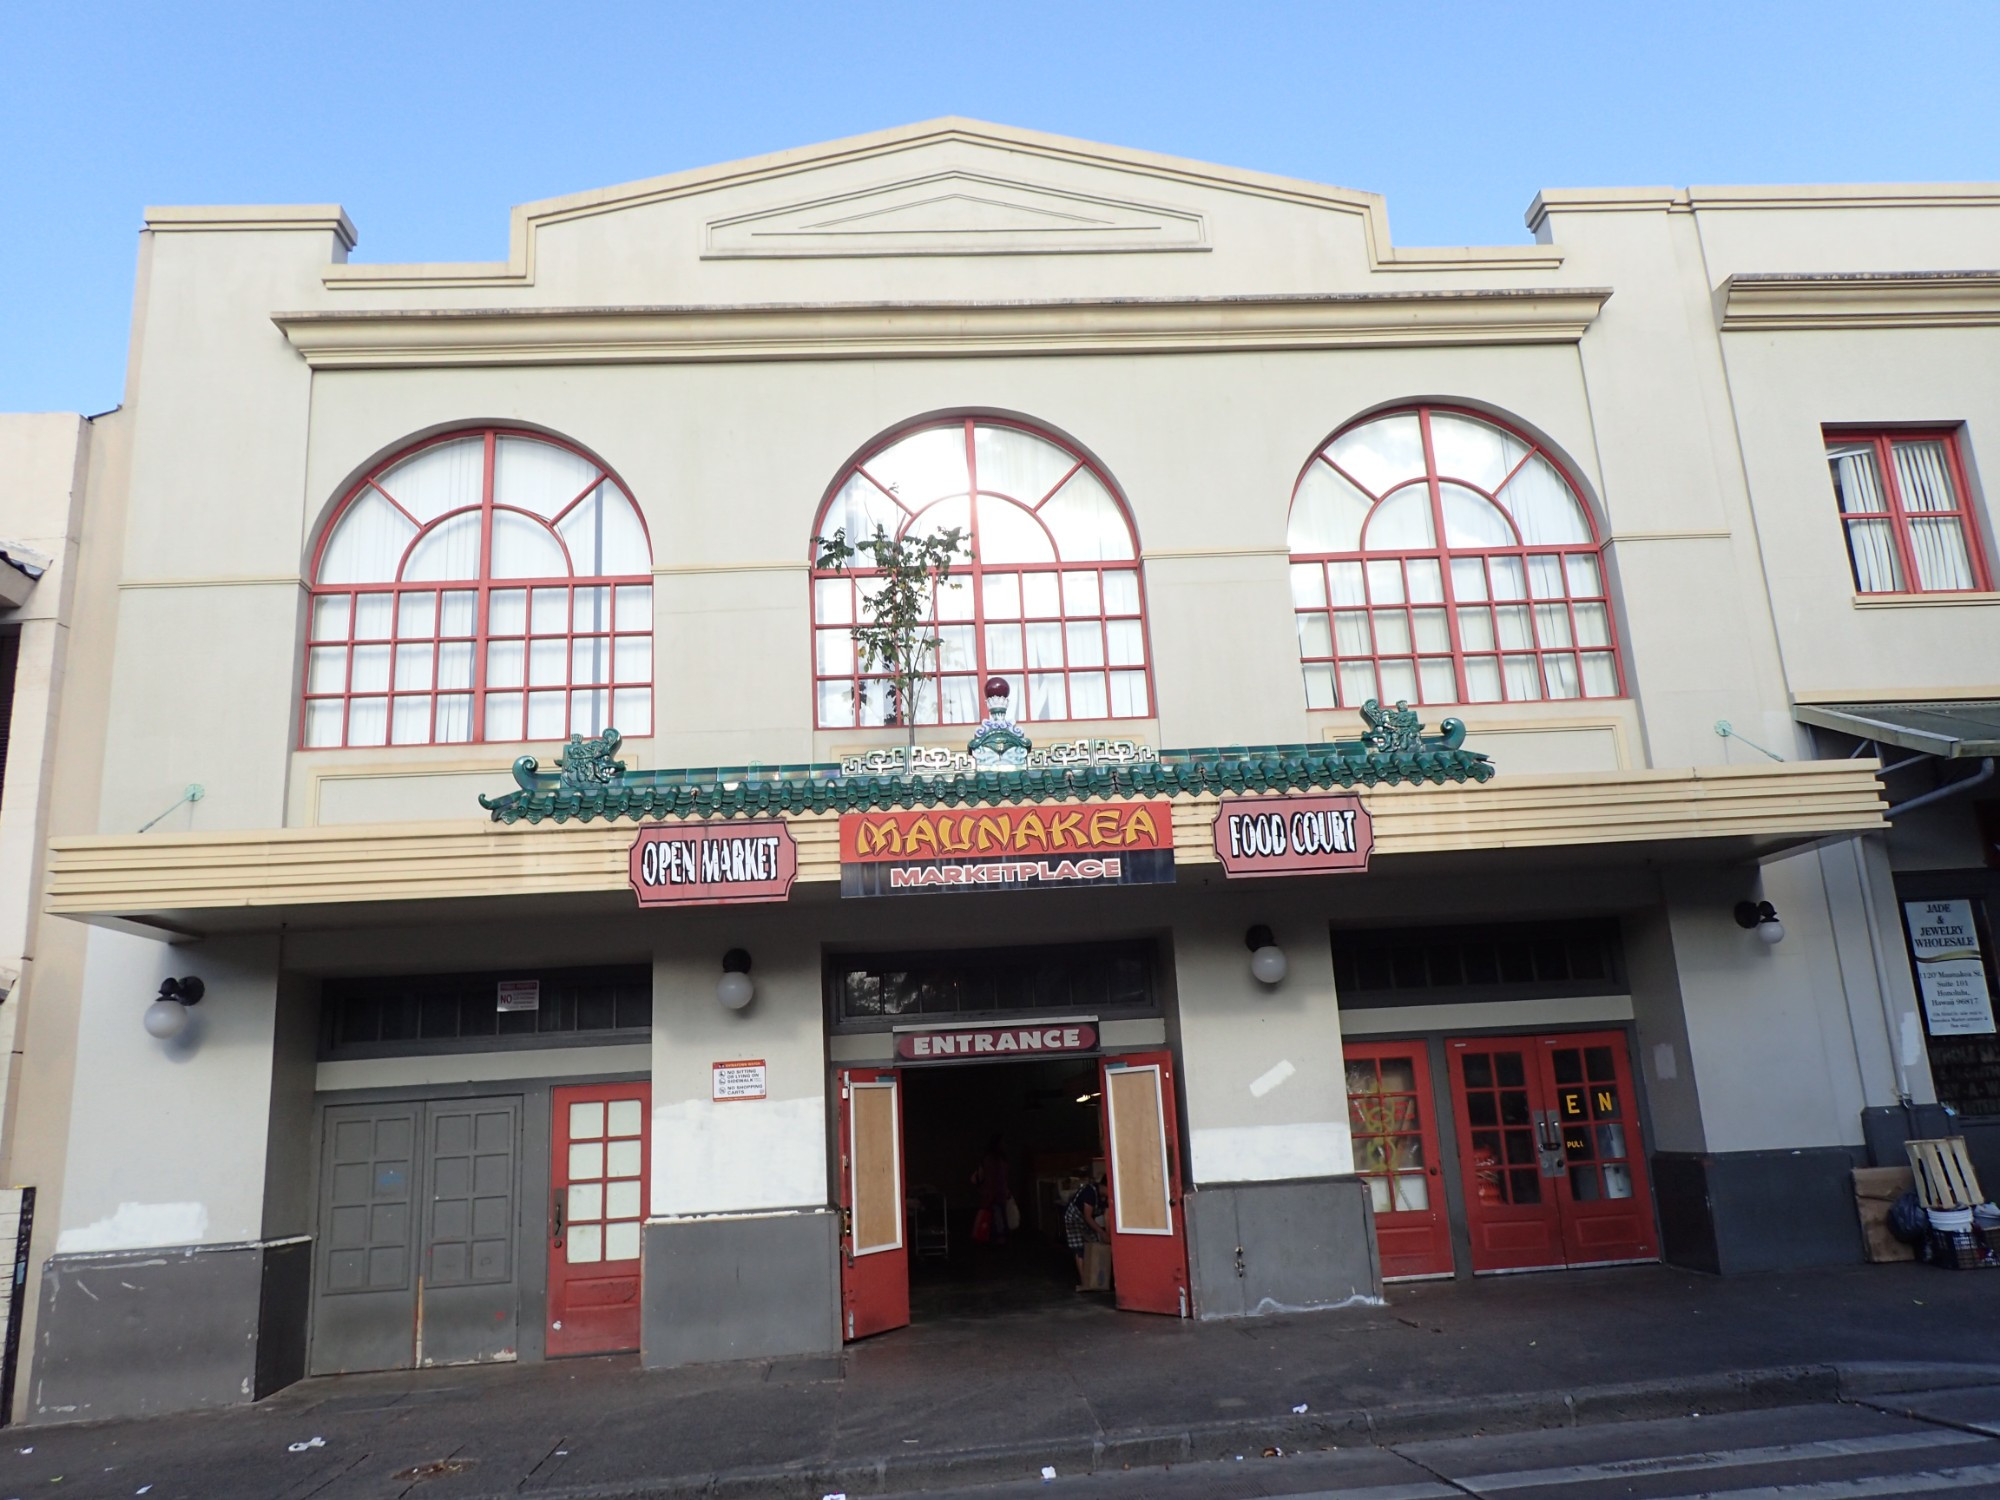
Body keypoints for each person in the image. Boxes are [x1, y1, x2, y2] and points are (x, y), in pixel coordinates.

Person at [1063, 1162, 1109, 1289]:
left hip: (1086, 1220)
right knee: (1079, 1248)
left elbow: (1105, 1214)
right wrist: (1102, 1232)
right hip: (1074, 1218)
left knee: (1093, 1244)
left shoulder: (1104, 1198)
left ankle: (1095, 1279)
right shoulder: (1090, 1192)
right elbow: (1087, 1217)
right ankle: (1085, 1282)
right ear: (1104, 1186)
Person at [971, 1134, 1011, 1246]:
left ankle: (992, 1239)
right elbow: (998, 1178)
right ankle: (998, 1239)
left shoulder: (989, 1159)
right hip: (997, 1194)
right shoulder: (999, 1160)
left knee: (994, 1218)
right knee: (998, 1218)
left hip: (992, 1194)